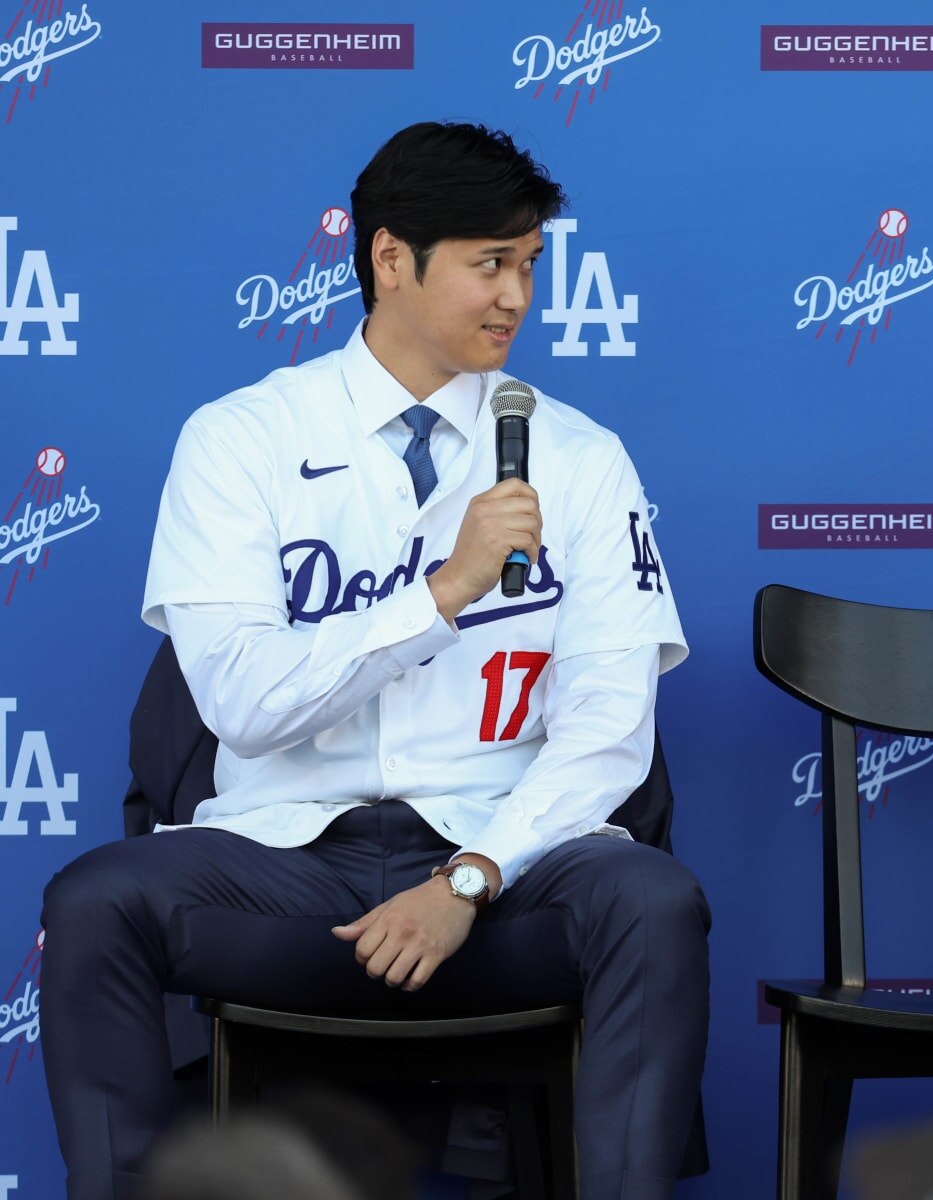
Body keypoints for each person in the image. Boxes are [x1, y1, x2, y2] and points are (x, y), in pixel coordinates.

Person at [39, 121, 709, 1200]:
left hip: (505, 871)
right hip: (286, 867)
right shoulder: (239, 439)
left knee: (651, 899)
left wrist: (472, 876)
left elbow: (608, 731)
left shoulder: (582, 459)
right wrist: (444, 592)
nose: (517, 299)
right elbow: (245, 706)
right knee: (96, 901)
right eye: (489, 264)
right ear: (391, 260)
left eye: (530, 266)